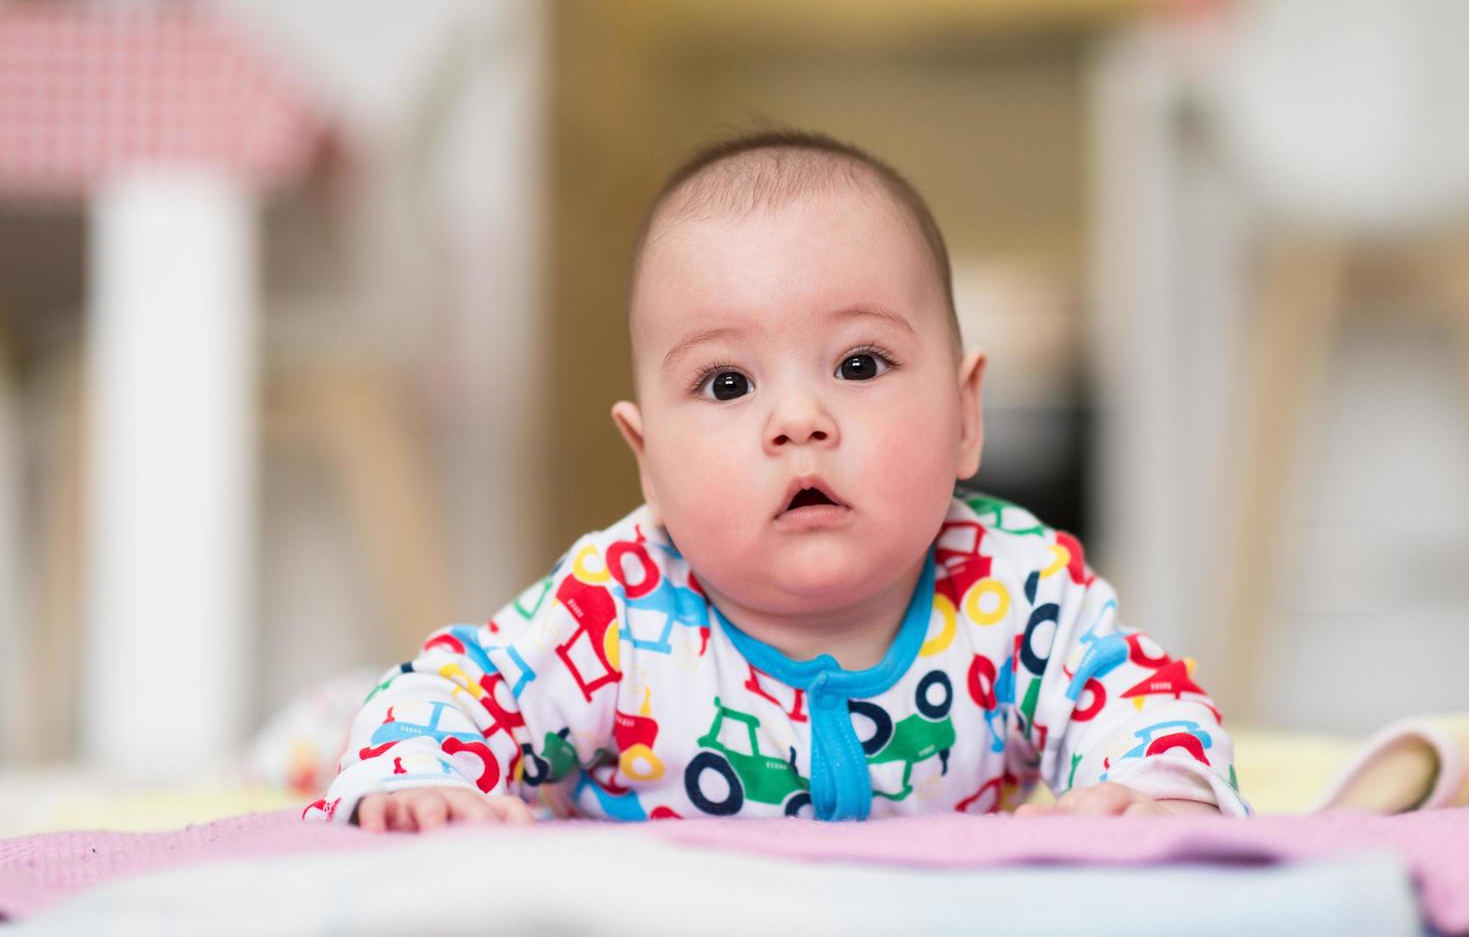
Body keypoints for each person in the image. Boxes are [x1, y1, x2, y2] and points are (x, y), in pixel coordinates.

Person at [304, 131, 1248, 831]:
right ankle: (320, 730)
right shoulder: (615, 609)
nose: (797, 422)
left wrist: (1153, 786)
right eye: (726, 384)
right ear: (651, 466)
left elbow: (1134, 693)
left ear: (965, 418)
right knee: (361, 727)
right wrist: (421, 780)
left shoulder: (1018, 592)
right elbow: (463, 685)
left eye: (860, 364)